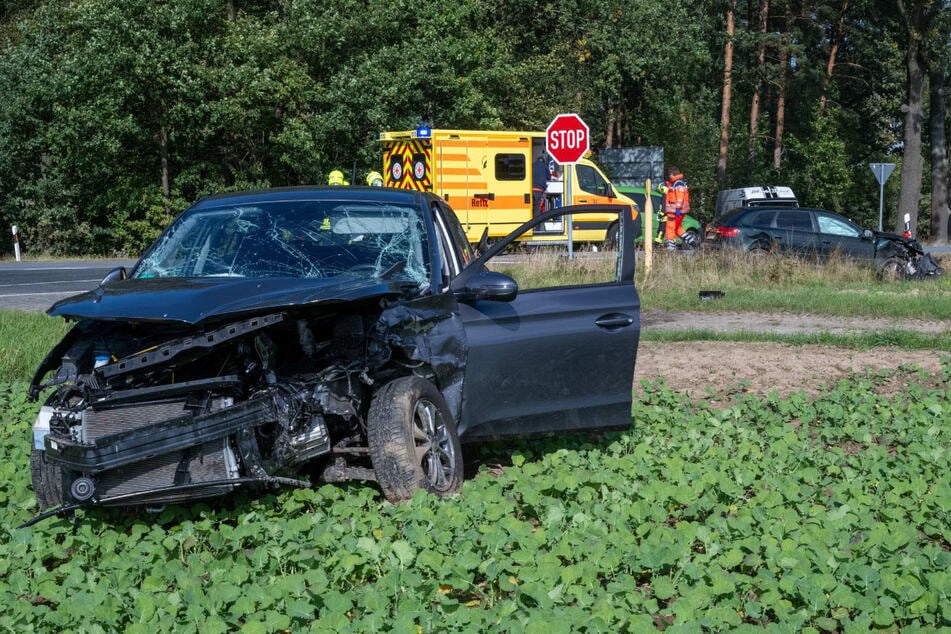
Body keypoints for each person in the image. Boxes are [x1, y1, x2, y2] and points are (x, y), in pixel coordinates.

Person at [661, 166, 690, 249]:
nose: (669, 177)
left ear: (672, 174)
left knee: (670, 227)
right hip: (678, 211)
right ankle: (691, 240)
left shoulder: (678, 183)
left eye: (670, 175)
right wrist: (666, 183)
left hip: (675, 211)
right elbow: (671, 186)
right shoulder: (678, 182)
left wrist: (677, 208)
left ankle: (671, 246)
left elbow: (680, 197)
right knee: (677, 228)